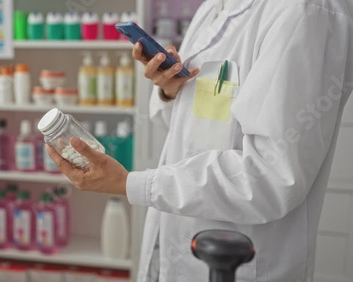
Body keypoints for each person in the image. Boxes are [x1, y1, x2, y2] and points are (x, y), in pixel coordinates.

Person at [47, 0, 353, 281]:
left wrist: (130, 184)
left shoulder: (305, 11)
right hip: (173, 254)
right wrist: (170, 91)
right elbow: (191, 128)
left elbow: (271, 177)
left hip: (246, 265)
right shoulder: (213, 8)